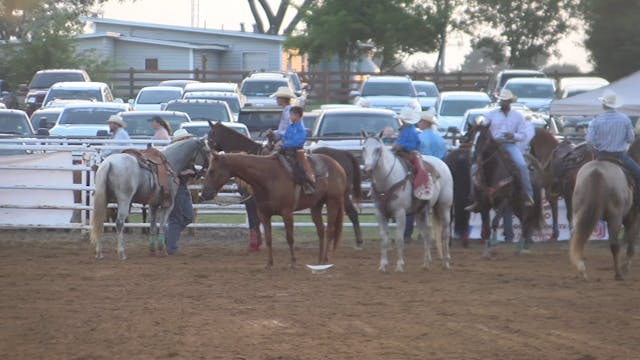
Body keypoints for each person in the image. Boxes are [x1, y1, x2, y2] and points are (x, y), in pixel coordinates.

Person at [465, 89, 534, 212]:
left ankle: (527, 195)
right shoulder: (491, 114)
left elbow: (523, 134)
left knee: (522, 165)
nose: (502, 103)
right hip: (492, 146)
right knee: (474, 168)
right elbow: (483, 129)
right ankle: (475, 198)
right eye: (501, 101)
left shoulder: (518, 116)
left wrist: (513, 136)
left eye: (505, 101)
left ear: (509, 102)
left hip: (509, 145)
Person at [586, 89, 640, 202]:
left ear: (603, 105)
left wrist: (596, 152)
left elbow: (589, 142)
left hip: (601, 156)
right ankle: (637, 202)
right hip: (620, 156)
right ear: (615, 105)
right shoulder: (625, 119)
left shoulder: (596, 121)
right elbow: (631, 139)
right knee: (638, 174)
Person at [165, 129, 196, 255]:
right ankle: (170, 246)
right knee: (177, 218)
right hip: (177, 188)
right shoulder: (176, 156)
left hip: (182, 188)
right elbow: (171, 172)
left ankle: (168, 239)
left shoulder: (183, 156)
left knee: (187, 217)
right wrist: (187, 173)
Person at [393, 106, 430, 199]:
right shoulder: (408, 129)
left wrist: (398, 146)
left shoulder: (409, 130)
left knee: (419, 170)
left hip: (408, 153)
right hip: (403, 152)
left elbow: (408, 145)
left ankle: (419, 187)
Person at [280, 105, 315, 193]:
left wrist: (284, 145)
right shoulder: (290, 127)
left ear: (297, 116)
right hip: (285, 150)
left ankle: (306, 183)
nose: (290, 117)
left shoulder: (301, 129)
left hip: (296, 151)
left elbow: (297, 142)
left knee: (298, 167)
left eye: (291, 115)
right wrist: (282, 142)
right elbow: (285, 137)